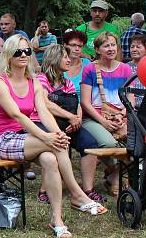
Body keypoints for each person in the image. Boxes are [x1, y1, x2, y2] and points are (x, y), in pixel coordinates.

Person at [0, 36, 106, 238]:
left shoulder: (33, 81)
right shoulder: (0, 83)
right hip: (6, 138)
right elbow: (17, 115)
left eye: (27, 51)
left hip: (30, 137)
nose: (24, 55)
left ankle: (57, 220)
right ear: (9, 55)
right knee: (55, 145)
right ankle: (78, 195)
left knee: (52, 157)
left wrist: (57, 133)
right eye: (18, 52)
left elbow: (43, 112)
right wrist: (46, 136)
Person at [36, 44, 102, 203]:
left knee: (90, 144)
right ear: (54, 59)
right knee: (57, 143)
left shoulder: (68, 83)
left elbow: (77, 103)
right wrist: (70, 117)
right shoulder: (41, 79)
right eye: (65, 57)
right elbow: (46, 104)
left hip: (70, 123)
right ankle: (44, 190)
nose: (68, 60)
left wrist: (77, 119)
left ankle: (88, 189)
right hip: (44, 123)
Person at [80, 32, 131, 195]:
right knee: (108, 144)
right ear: (97, 49)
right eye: (106, 45)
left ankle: (114, 177)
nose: (110, 49)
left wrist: (122, 116)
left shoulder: (125, 69)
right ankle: (116, 171)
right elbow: (85, 102)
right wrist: (103, 121)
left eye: (113, 45)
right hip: (95, 118)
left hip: (120, 117)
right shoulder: (90, 69)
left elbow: (130, 100)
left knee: (140, 143)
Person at [62, 30, 90, 96]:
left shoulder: (87, 64)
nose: (77, 49)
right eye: (73, 45)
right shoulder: (57, 65)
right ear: (65, 45)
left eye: (80, 46)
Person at [128, 33, 146, 107]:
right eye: (132, 47)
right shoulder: (125, 67)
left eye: (138, 47)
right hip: (130, 107)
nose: (134, 49)